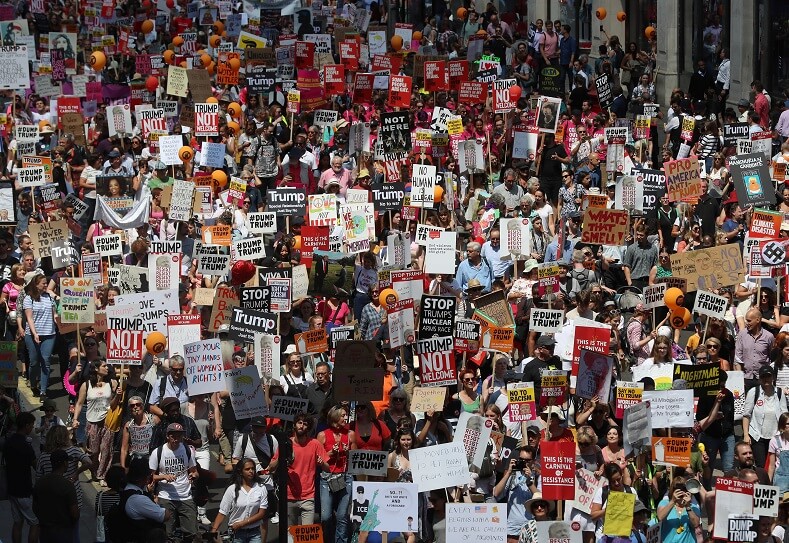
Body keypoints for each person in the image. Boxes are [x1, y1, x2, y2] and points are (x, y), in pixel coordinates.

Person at [72, 358, 120, 485]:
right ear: (96, 369)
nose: (107, 368)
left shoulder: (111, 383)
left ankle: (102, 475)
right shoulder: (86, 385)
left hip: (107, 422)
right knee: (93, 452)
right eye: (104, 366)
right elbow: (80, 403)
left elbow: (115, 402)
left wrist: (118, 393)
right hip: (92, 423)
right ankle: (88, 470)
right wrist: (75, 419)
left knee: (106, 450)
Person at [149, 422, 199, 543]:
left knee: (192, 533)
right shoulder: (158, 452)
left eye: (179, 436)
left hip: (184, 496)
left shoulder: (187, 450)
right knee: (167, 534)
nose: (176, 439)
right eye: (173, 436)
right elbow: (150, 478)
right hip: (165, 496)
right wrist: (164, 476)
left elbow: (195, 471)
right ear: (168, 436)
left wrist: (194, 475)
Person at [317, 405, 356, 543]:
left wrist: (347, 452)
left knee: (342, 516)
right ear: (335, 417)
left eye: (346, 415)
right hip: (327, 478)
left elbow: (355, 458)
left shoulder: (350, 434)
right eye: (343, 415)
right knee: (326, 516)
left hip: (346, 477)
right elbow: (318, 460)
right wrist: (331, 453)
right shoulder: (322, 435)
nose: (346, 418)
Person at [211, 458, 268, 543]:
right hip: (237, 534)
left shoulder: (261, 488)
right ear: (241, 472)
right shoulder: (232, 489)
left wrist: (242, 524)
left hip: (254, 533)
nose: (251, 471)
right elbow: (222, 512)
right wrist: (214, 531)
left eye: (253, 468)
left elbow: (261, 513)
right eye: (247, 469)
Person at [743, 365, 789, 469]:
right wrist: (746, 435)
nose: (766, 379)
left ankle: (773, 485)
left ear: (773, 377)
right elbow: (746, 415)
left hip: (776, 435)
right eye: (763, 376)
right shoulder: (754, 392)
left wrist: (785, 432)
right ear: (759, 378)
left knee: (775, 465)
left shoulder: (780, 393)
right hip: (757, 435)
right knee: (761, 466)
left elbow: (784, 414)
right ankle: (762, 484)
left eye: (768, 376)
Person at [3, 411, 39, 543]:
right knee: (35, 523)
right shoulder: (26, 446)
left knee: (17, 523)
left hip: (12, 488)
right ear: (26, 425)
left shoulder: (8, 442)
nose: (32, 428)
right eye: (31, 425)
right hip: (24, 490)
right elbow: (36, 466)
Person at [32, 449, 79, 543]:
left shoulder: (40, 482)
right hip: (63, 532)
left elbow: (35, 507)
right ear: (65, 463)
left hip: (45, 531)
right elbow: (74, 513)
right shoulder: (67, 485)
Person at [22, 272, 56, 398]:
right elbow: (29, 318)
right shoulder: (29, 298)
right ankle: (33, 384)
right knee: (34, 362)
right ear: (36, 285)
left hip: (49, 334)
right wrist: (35, 333)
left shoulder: (49, 297)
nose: (46, 285)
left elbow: (54, 314)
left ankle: (43, 390)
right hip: (32, 335)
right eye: (44, 283)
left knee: (46, 361)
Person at [288, 413, 326, 526]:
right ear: (294, 425)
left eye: (305, 424)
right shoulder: (287, 443)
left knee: (307, 537)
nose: (302, 426)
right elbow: (273, 466)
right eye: (299, 423)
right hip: (289, 496)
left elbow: (327, 468)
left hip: (308, 497)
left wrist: (322, 463)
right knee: (290, 536)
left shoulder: (315, 444)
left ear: (308, 428)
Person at [494, 446, 537, 542]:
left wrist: (529, 480)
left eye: (527, 460)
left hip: (531, 528)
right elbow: (496, 493)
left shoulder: (537, 477)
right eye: (521, 460)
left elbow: (541, 499)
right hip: (512, 529)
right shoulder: (512, 476)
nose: (523, 463)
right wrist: (508, 473)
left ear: (533, 461)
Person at [656, 477, 701, 543]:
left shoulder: (693, 507)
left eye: (684, 489)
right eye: (677, 489)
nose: (681, 491)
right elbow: (660, 517)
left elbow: (696, 524)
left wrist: (688, 506)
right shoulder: (664, 503)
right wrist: (673, 501)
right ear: (672, 490)